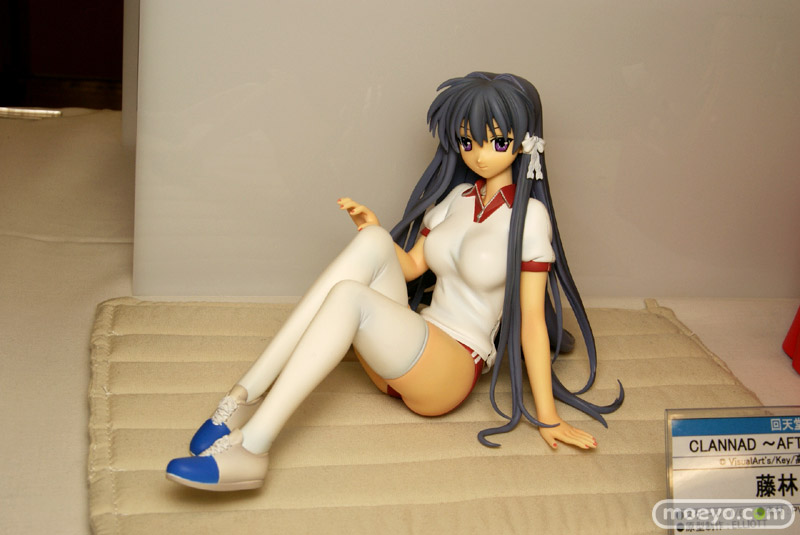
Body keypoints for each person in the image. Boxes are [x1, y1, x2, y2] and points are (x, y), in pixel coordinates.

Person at [165, 72, 624, 491]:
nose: (480, 154)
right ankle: (244, 396)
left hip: (447, 374)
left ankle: (253, 448)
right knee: (374, 242)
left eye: (497, 141)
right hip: (406, 350)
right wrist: (374, 230)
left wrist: (547, 416)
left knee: (349, 297)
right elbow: (410, 268)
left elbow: (531, 323)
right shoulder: (456, 199)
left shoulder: (530, 219)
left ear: (525, 143)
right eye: (468, 141)